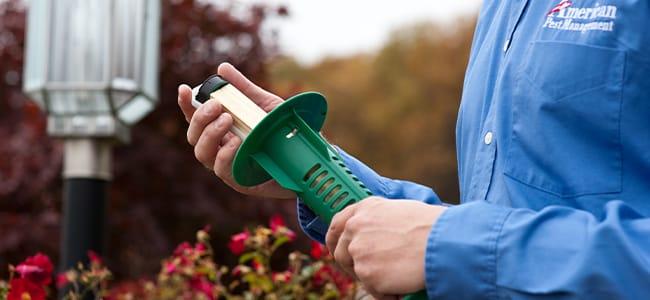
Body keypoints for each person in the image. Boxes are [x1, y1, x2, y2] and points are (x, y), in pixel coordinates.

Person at [177, 1, 650, 299]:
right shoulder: (502, 11)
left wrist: (448, 245)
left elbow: (463, 241)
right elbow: (489, 221)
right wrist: (302, 162)